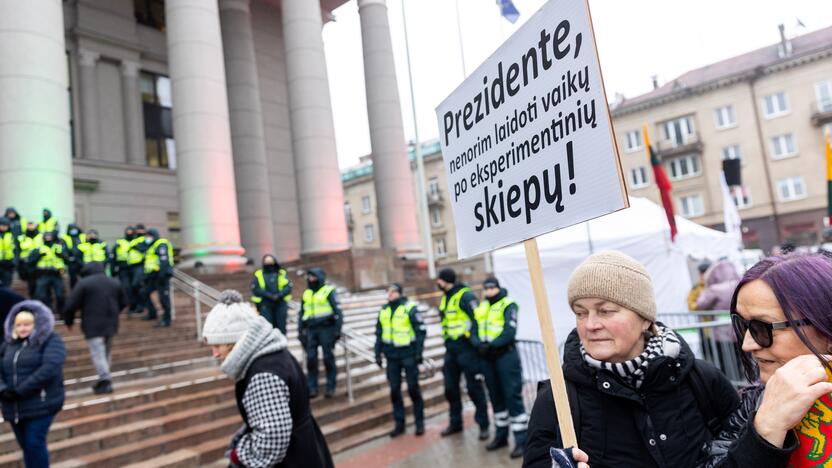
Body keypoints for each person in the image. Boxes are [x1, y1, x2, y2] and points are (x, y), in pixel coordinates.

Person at [523, 251, 739, 468]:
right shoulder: (557, 399)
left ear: (645, 318)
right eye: (581, 313)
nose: (590, 325)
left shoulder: (701, 379)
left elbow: (740, 447)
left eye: (605, 311)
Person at [702, 253, 832, 467]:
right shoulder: (756, 403)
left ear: (824, 328)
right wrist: (765, 432)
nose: (747, 344)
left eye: (762, 327)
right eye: (742, 325)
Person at [202, 290, 333, 468]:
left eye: (218, 345)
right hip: (305, 450)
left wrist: (238, 456)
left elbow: (272, 439)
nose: (215, 354)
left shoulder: (262, 374)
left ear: (235, 341)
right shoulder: (273, 354)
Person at [0, 300, 66, 467]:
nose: (23, 328)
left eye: (27, 324)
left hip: (41, 405)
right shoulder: (8, 345)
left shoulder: (51, 340)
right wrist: (3, 389)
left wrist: (21, 390)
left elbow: (50, 368)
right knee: (28, 448)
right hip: (14, 407)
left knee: (34, 444)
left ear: (37, 324)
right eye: (19, 325)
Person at [475, 277, 528, 458]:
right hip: (487, 359)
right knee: (495, 397)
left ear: (498, 287)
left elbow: (509, 330)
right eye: (486, 288)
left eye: (492, 287)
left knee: (512, 396)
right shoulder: (482, 307)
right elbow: (474, 328)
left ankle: (522, 440)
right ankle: (501, 436)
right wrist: (478, 344)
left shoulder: (508, 304)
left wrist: (491, 345)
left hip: (505, 356)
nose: (489, 291)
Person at [435, 267, 490, 440]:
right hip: (451, 350)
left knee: (474, 388)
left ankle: (483, 425)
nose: (437, 282)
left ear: (446, 280)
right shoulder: (446, 298)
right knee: (450, 389)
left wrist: (475, 342)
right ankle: (455, 423)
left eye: (439, 279)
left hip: (467, 350)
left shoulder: (465, 296)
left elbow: (477, 319)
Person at [63, 262, 127, 394]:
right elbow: (124, 302)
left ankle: (105, 380)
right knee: (105, 353)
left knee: (98, 353)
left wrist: (69, 321)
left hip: (92, 323)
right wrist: (115, 313)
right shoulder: (113, 282)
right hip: (111, 322)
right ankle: (104, 378)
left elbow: (71, 305)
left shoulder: (84, 283)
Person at [374, 282, 426, 437]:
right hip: (391, 356)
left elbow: (420, 331)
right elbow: (378, 333)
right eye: (388, 291)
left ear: (400, 293)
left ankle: (419, 423)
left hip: (408, 354)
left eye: (392, 291)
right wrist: (377, 353)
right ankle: (399, 424)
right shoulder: (384, 311)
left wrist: (418, 353)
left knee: (413, 388)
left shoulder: (409, 308)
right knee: (395, 391)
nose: (389, 294)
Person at [298, 268, 342, 399]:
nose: (310, 279)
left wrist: (337, 330)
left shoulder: (328, 291)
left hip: (326, 329)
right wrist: (300, 331)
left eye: (313, 277)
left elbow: (338, 312)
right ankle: (312, 388)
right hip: (311, 330)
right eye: (309, 277)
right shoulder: (306, 293)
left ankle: (330, 386)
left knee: (328, 358)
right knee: (311, 359)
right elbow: (301, 313)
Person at [137, 229, 173, 327]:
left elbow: (164, 261)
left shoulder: (161, 244)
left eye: (149, 236)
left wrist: (162, 274)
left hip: (161, 275)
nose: (147, 238)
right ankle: (152, 313)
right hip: (152, 276)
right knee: (143, 292)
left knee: (164, 298)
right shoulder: (151, 246)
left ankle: (167, 320)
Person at [250, 254, 293, 334]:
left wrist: (279, 295)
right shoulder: (259, 274)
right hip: (265, 304)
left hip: (280, 303)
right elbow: (256, 289)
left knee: (281, 328)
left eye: (270, 261)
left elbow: (288, 286)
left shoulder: (281, 273)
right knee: (267, 328)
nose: (269, 263)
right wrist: (269, 295)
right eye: (267, 261)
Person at [29, 231, 66, 317]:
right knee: (41, 295)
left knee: (60, 295)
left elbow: (67, 259)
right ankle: (46, 312)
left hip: (57, 274)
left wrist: (61, 255)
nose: (48, 238)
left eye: (50, 236)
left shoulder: (58, 248)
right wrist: (39, 256)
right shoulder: (39, 249)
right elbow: (30, 261)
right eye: (46, 237)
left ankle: (62, 313)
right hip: (43, 274)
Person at [125, 225, 147, 315]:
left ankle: (141, 306)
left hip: (140, 265)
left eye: (141, 229)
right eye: (138, 229)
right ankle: (135, 306)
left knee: (137, 285)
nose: (139, 231)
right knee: (132, 287)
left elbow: (144, 249)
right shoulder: (134, 240)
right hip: (131, 267)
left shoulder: (144, 239)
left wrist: (137, 247)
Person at [17, 223, 40, 297]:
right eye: (29, 225)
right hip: (27, 262)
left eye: (32, 225)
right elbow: (18, 249)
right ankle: (32, 296)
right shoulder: (22, 237)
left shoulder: (40, 236)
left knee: (38, 281)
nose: (31, 227)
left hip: (38, 262)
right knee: (30, 282)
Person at [61, 223, 85, 288]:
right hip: (71, 261)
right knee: (73, 280)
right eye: (72, 229)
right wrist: (68, 258)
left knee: (84, 278)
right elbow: (63, 249)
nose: (74, 230)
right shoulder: (65, 238)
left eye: (75, 229)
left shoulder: (82, 236)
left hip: (81, 260)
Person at [0, 218, 16, 288]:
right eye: (2, 225)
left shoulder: (11, 235)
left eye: (5, 225)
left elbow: (16, 249)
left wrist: (14, 261)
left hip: (8, 264)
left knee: (7, 284)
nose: (4, 227)